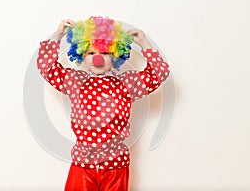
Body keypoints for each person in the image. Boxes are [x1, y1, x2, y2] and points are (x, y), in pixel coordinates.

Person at [37, 16, 170, 191]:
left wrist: (144, 43)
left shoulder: (126, 84)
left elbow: (160, 73)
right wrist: (57, 35)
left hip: (116, 166)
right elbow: (46, 67)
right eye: (91, 53)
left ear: (116, 55)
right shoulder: (75, 81)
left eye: (105, 53)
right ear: (82, 55)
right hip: (83, 165)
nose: (97, 58)